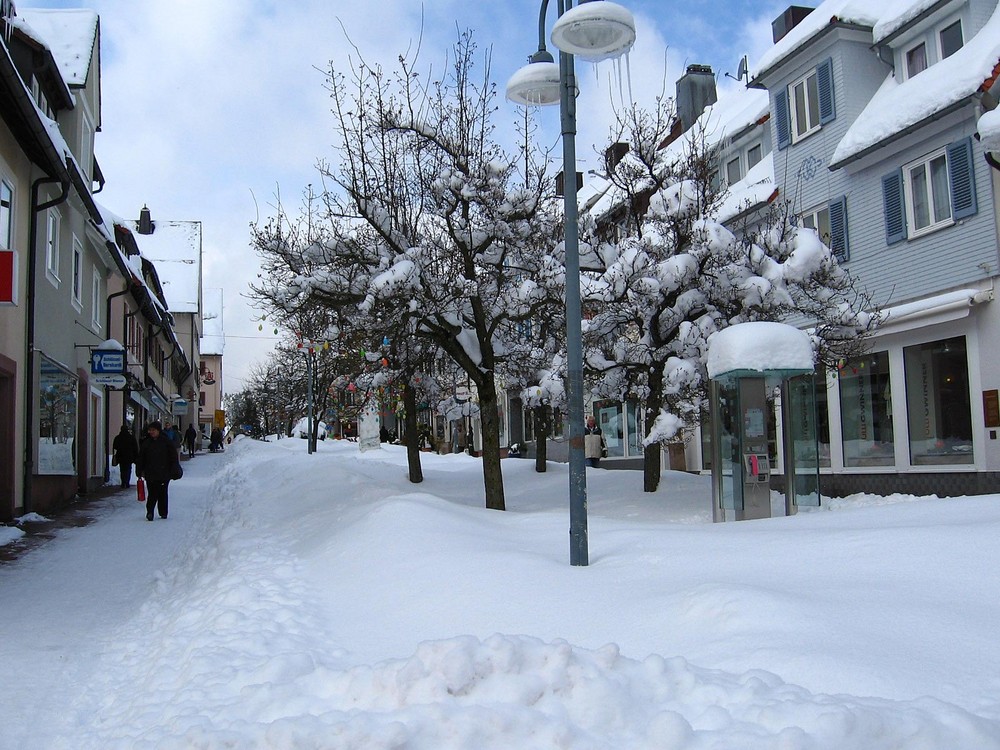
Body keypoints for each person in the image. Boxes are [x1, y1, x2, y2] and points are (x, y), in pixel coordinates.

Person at [136, 420, 181, 521]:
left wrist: (173, 469)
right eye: (150, 430)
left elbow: (173, 457)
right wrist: (139, 471)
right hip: (150, 473)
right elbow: (141, 458)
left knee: (162, 493)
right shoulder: (146, 443)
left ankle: (163, 512)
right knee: (152, 493)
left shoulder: (166, 441)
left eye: (153, 430)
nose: (151, 432)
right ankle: (150, 512)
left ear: (158, 431)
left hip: (164, 473)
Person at [111, 424, 138, 488]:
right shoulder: (131, 438)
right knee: (128, 469)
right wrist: (135, 456)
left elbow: (115, 446)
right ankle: (127, 482)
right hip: (129, 456)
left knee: (122, 469)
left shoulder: (118, 438)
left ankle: (123, 482)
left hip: (121, 456)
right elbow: (135, 448)